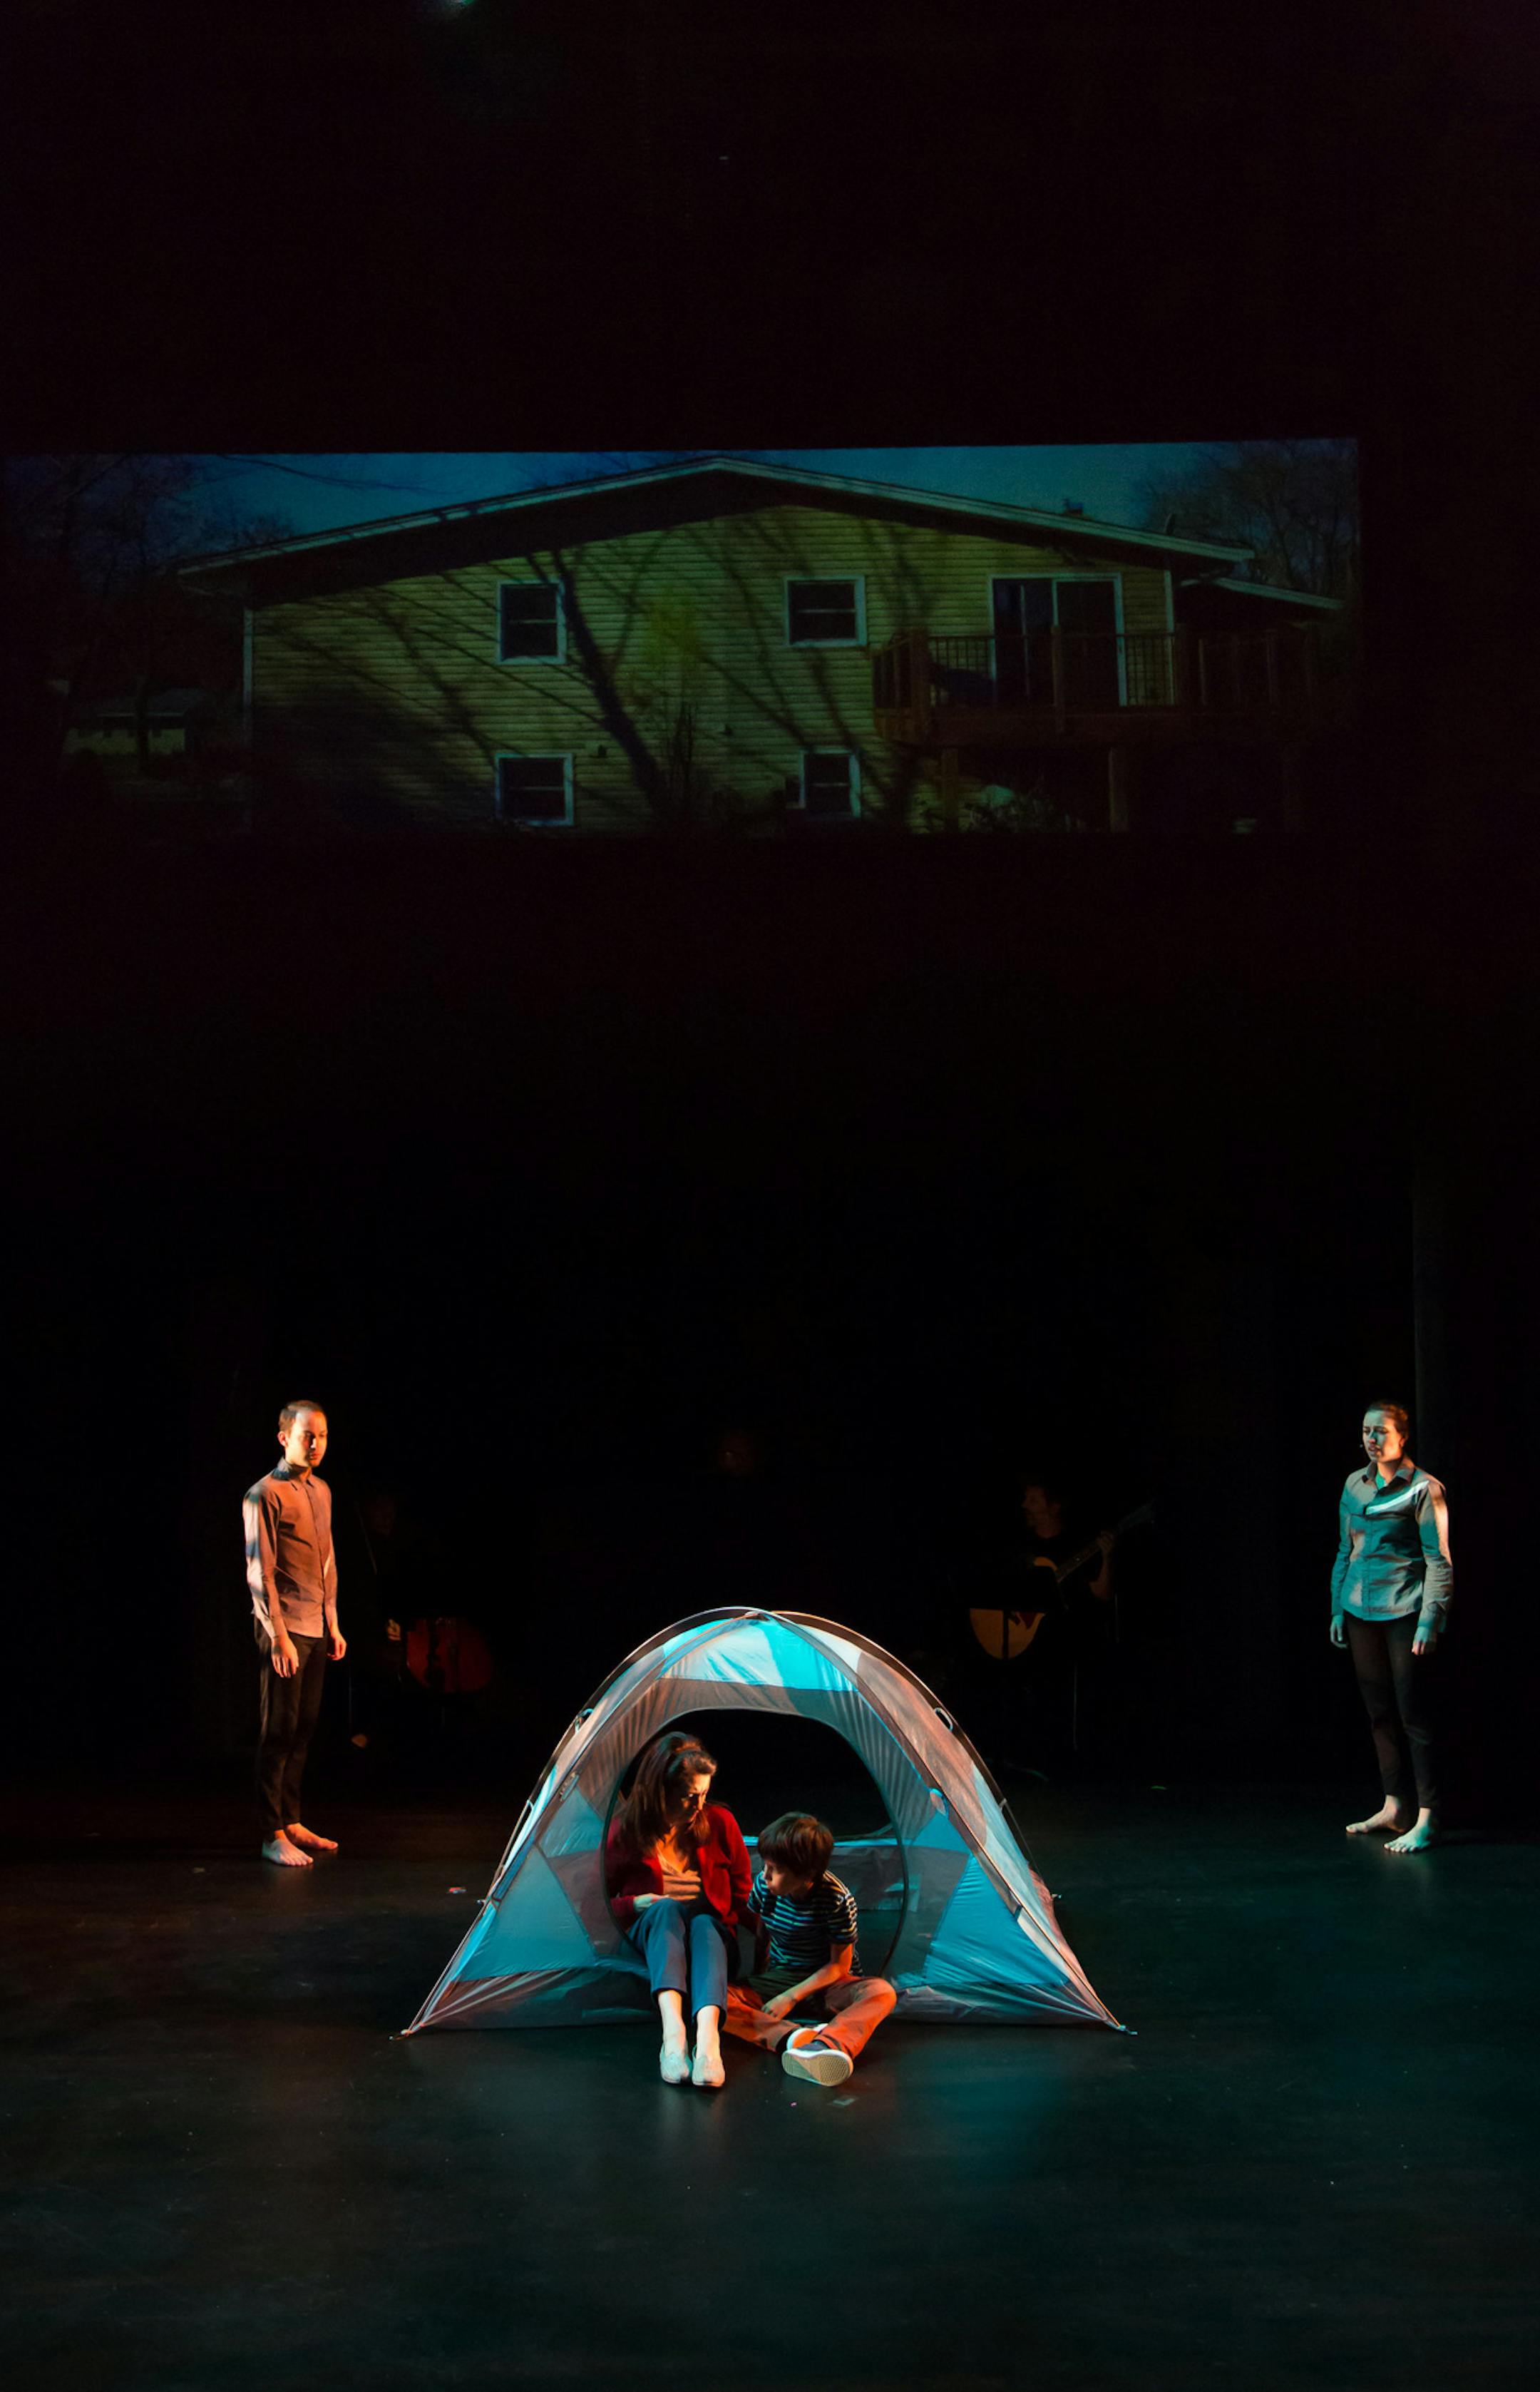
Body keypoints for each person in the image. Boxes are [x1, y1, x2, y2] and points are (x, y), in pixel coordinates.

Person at [1331, 1401, 1452, 1854]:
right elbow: (1346, 1550)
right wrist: (1337, 1608)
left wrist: (1430, 1620)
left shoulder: (1424, 1489)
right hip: (1360, 1610)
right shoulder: (1354, 1485)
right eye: (1366, 1431)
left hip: (1404, 1612)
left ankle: (1427, 1815)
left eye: (1381, 1431)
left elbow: (1438, 1560)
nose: (1372, 1439)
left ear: (1402, 1438)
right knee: (1379, 1713)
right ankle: (1394, 1804)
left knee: (1413, 1715)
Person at [605, 1732, 752, 2088]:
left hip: (710, 1944)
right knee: (666, 1910)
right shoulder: (627, 1831)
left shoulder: (719, 1823)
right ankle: (673, 2037)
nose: (700, 1805)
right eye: (690, 1796)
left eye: (704, 1793)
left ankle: (707, 2043)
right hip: (655, 1940)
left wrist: (769, 1938)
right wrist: (633, 1904)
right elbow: (593, 1902)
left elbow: (743, 1891)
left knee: (704, 1923)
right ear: (662, 1792)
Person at [243, 1400, 346, 1867]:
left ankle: (292, 1817)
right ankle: (271, 1832)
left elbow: (327, 1561)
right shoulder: (263, 1495)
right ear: (284, 1437)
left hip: (315, 1628)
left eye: (322, 1435)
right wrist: (279, 1636)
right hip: (282, 1629)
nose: (315, 1444)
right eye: (307, 1435)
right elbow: (260, 1571)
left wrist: (334, 1622)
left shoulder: (322, 1491)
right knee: (278, 1729)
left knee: (304, 1728)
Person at [724, 1812, 897, 2087]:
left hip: (828, 1983)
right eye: (766, 1865)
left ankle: (827, 2046)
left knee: (881, 1992)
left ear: (807, 1875)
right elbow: (762, 1932)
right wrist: (763, 1979)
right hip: (783, 1976)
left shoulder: (836, 1899)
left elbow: (839, 1966)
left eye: (776, 1869)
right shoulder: (764, 1886)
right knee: (714, 1999)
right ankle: (794, 2039)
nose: (765, 1875)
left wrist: (790, 1998)